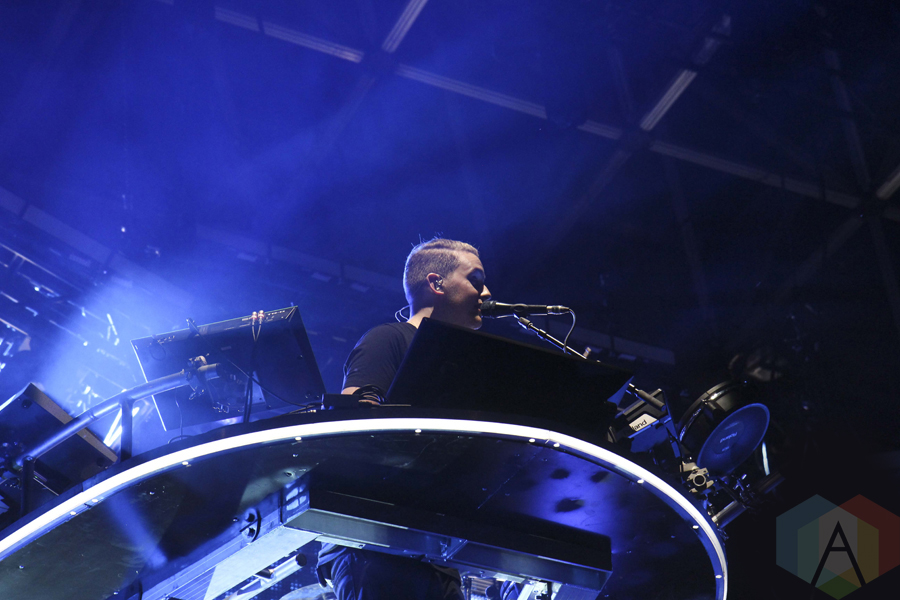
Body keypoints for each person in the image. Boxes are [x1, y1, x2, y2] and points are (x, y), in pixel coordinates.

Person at [316, 237, 491, 600]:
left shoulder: (467, 365)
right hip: (374, 542)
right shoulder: (387, 338)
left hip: (434, 550)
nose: (486, 293)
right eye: (475, 279)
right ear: (436, 283)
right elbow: (353, 423)